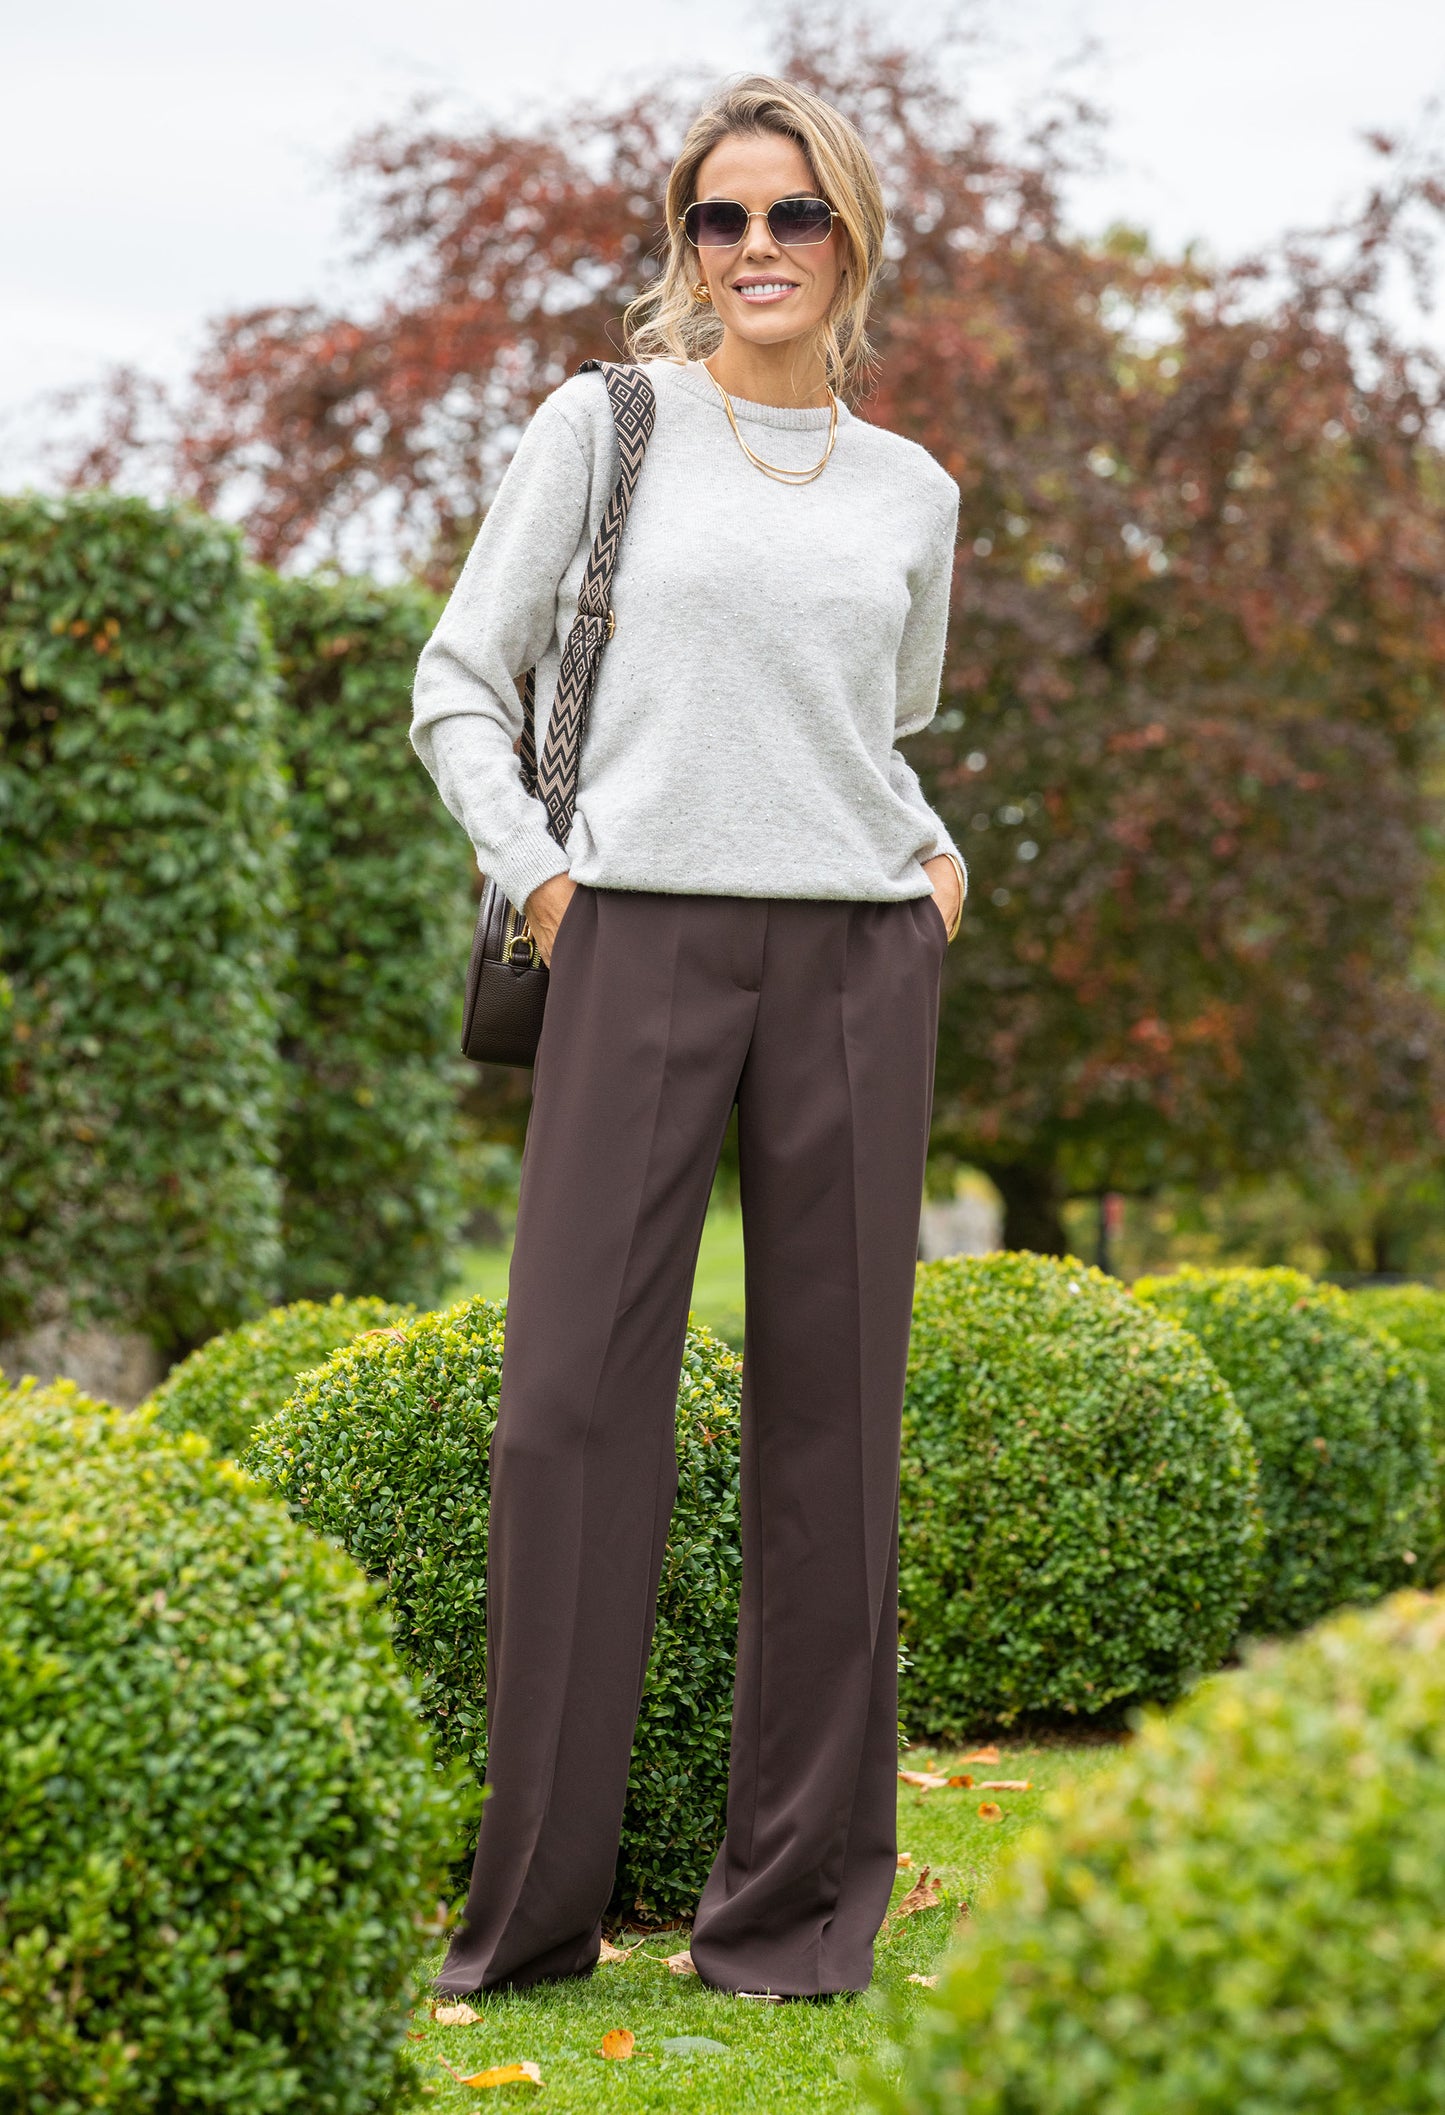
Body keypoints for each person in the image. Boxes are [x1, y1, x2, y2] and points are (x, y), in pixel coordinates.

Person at [410, 71, 966, 2001]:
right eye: (720, 219)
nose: (753, 251)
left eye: (790, 216)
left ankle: (791, 1918)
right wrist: (550, 885)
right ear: (683, 244)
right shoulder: (607, 425)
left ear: (850, 239)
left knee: (838, 1432)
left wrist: (931, 853)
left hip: (850, 966)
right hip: (628, 942)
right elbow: (459, 681)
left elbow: (870, 730)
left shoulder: (912, 489)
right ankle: (533, 1916)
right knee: (567, 1409)